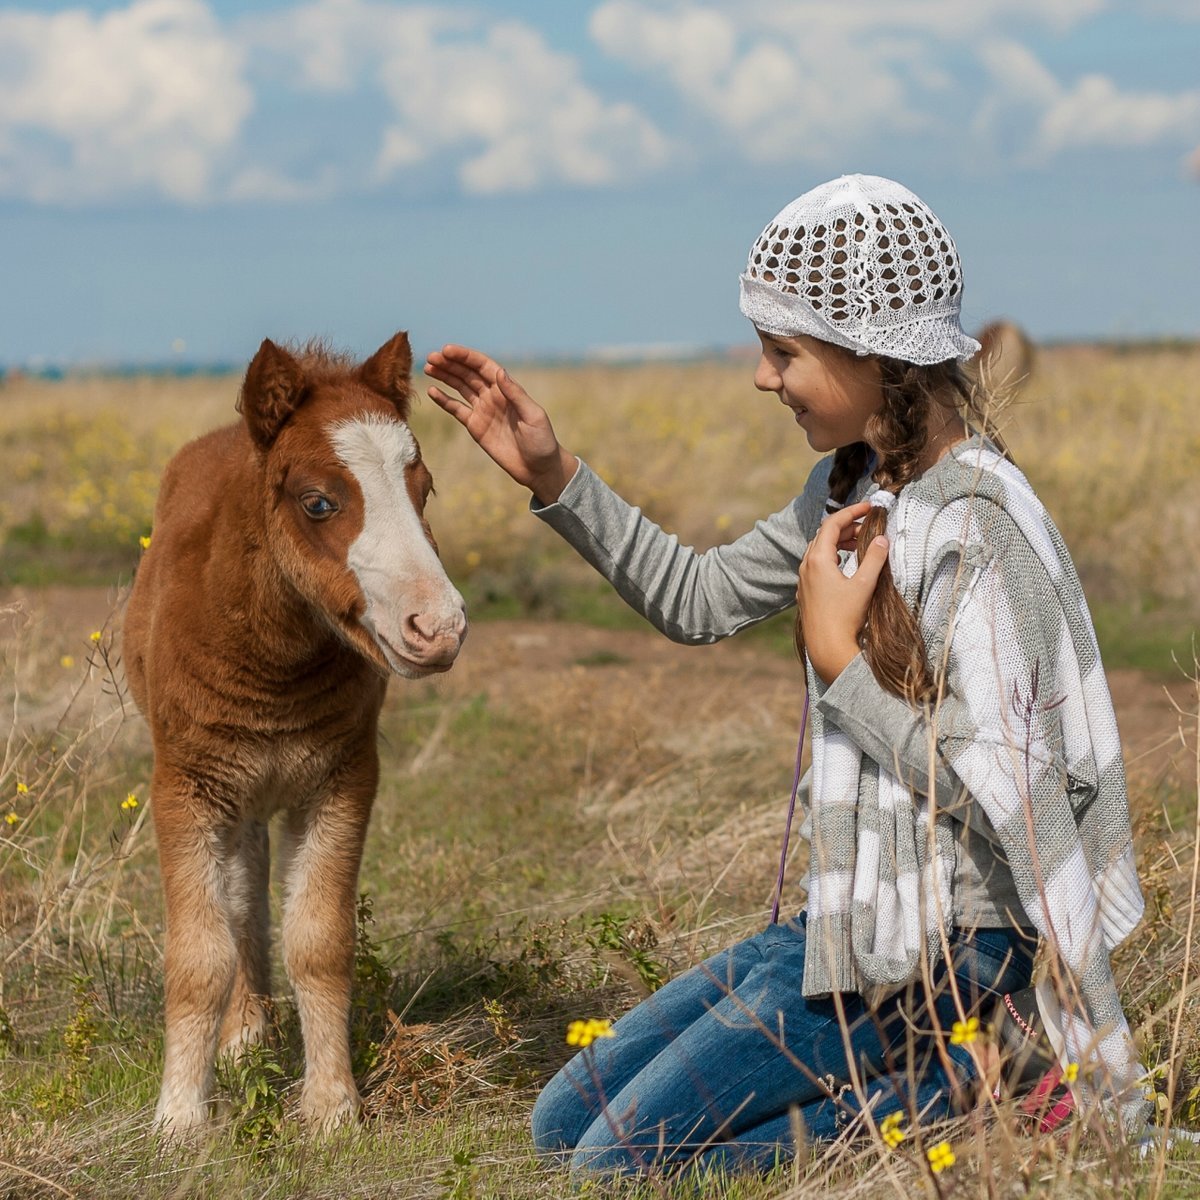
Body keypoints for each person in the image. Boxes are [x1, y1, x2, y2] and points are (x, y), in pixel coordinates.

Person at [424, 174, 1149, 1176]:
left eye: (784, 351)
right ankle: (948, 1080)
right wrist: (553, 474)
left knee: (613, 1166)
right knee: (562, 1121)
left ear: (872, 349)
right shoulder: (850, 488)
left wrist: (840, 661)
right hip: (852, 919)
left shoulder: (978, 530)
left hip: (951, 949)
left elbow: (1003, 789)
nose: (763, 378)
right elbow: (698, 598)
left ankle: (990, 1085)